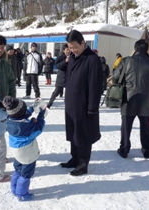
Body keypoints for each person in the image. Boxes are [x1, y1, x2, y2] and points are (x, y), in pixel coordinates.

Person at [113, 39, 149, 159]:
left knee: (126, 126)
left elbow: (115, 78)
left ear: (135, 48)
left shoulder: (126, 61)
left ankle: (124, 149)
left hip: (128, 98)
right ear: (146, 49)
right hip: (146, 100)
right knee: (146, 127)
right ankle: (147, 151)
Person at [60, 30, 103, 176]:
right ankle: (75, 158)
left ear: (83, 42)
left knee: (83, 135)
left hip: (84, 105)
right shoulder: (72, 58)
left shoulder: (92, 60)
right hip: (72, 104)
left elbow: (95, 86)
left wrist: (92, 107)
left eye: (75, 47)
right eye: (70, 47)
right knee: (73, 133)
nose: (72, 50)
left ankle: (83, 163)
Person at [3, 96, 46, 201]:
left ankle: (14, 188)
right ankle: (22, 194)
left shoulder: (10, 120)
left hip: (16, 150)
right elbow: (39, 129)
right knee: (26, 173)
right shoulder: (24, 127)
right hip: (27, 153)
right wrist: (41, 116)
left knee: (18, 169)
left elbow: (21, 115)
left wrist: (32, 108)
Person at [47, 44, 70, 108]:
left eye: (69, 49)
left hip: (70, 78)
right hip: (61, 77)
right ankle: (50, 103)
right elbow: (57, 66)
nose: (68, 51)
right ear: (64, 50)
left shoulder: (73, 57)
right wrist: (65, 61)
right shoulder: (60, 57)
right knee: (56, 92)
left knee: (69, 93)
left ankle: (69, 105)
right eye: (67, 50)